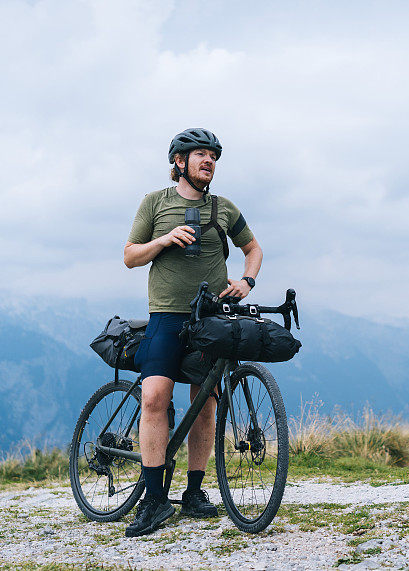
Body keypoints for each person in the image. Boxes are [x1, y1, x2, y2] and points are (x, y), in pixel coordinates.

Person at [122, 128, 262, 537]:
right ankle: (153, 500)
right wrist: (164, 239)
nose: (209, 162)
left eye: (213, 157)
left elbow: (252, 249)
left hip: (213, 318)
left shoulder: (224, 209)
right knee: (154, 396)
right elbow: (130, 256)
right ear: (179, 161)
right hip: (166, 314)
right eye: (201, 154)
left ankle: (195, 491)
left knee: (205, 403)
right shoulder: (155, 203)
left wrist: (247, 281)